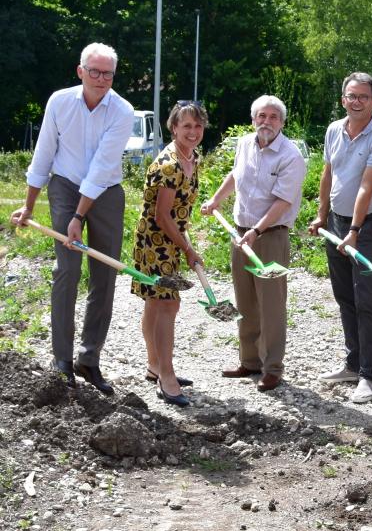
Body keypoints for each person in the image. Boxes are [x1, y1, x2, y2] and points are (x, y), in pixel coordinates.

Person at [10, 43, 134, 395]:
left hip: (106, 191)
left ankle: (88, 358)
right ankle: (62, 360)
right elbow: (44, 152)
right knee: (67, 269)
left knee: (104, 274)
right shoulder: (59, 101)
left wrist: (81, 216)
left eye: (107, 73)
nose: (100, 79)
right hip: (64, 186)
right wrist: (29, 206)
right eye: (93, 71)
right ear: (80, 71)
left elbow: (101, 167)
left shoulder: (122, 111)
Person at [201, 95, 306, 392]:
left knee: (271, 303)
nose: (266, 121)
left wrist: (257, 231)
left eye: (273, 117)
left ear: (282, 123)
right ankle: (249, 361)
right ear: (253, 119)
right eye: (261, 116)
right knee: (245, 299)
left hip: (270, 236)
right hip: (240, 232)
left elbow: (283, 202)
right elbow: (236, 174)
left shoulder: (291, 156)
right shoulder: (246, 143)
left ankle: (272, 367)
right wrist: (216, 200)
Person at [308, 72, 372, 403]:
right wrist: (321, 215)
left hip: (368, 227)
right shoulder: (334, 130)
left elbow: (367, 186)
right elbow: (328, 173)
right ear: (343, 99)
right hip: (335, 221)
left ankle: (367, 376)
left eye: (362, 97)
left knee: (365, 299)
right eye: (350, 96)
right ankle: (351, 363)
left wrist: (355, 232)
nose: (355, 101)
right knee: (344, 296)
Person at [131, 101, 208, 407]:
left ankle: (154, 366)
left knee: (157, 303)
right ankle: (167, 375)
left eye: (198, 126)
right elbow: (163, 216)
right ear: (173, 127)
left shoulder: (192, 157)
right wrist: (188, 248)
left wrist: (184, 244)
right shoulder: (169, 164)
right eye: (186, 126)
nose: (193, 131)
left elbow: (177, 213)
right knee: (168, 305)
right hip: (155, 243)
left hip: (171, 241)